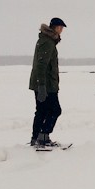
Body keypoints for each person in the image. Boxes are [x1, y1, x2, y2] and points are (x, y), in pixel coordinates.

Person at [29, 17, 66, 146]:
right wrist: (42, 86)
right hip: (46, 85)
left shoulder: (47, 41)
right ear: (53, 27)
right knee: (55, 110)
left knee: (42, 111)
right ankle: (43, 136)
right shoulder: (47, 42)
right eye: (59, 27)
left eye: (62, 28)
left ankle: (36, 138)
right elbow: (41, 65)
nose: (61, 30)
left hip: (45, 83)